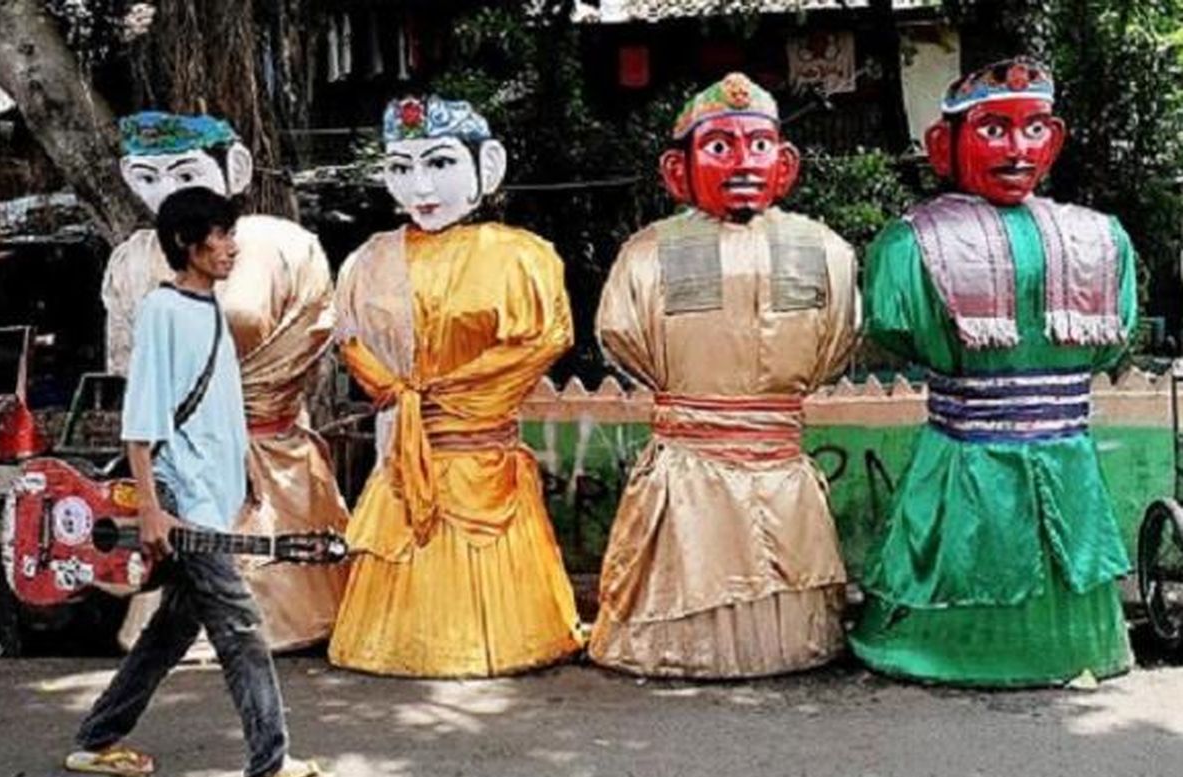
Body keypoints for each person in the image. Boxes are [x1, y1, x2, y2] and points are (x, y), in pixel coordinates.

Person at [849, 58, 1136, 687]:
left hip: (1000, 451)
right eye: (992, 130)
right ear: (942, 146)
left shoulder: (1099, 238)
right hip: (992, 451)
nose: (1016, 149)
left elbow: (900, 331)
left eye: (1033, 129)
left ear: (1055, 140)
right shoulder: (914, 243)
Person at [588, 73, 859, 678]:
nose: (743, 162)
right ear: (678, 170)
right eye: (720, 148)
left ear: (785, 164)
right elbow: (622, 334)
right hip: (690, 462)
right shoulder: (647, 252)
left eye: (758, 147)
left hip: (776, 453)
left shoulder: (825, 250)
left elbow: (840, 333)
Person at [65, 187, 335, 777]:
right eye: (221, 235)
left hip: (208, 501)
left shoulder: (207, 306)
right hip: (181, 501)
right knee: (241, 629)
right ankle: (270, 764)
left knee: (170, 633)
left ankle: (95, 739)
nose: (232, 247)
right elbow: (142, 422)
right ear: (189, 244)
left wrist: (240, 481)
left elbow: (214, 409)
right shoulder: (163, 312)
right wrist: (155, 511)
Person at [327, 95, 583, 677]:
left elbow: (540, 341)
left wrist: (441, 401)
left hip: (479, 451)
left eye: (439, 164)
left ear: (485, 166)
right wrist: (397, 393)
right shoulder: (369, 259)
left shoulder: (521, 255)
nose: (421, 186)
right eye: (401, 167)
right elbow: (349, 341)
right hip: (405, 450)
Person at [106, 112, 347, 653]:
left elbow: (311, 334)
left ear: (234, 169)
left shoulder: (283, 245)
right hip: (182, 459)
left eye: (184, 175)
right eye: (147, 177)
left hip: (269, 447)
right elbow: (130, 369)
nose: (167, 192)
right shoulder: (131, 261)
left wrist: (251, 408)